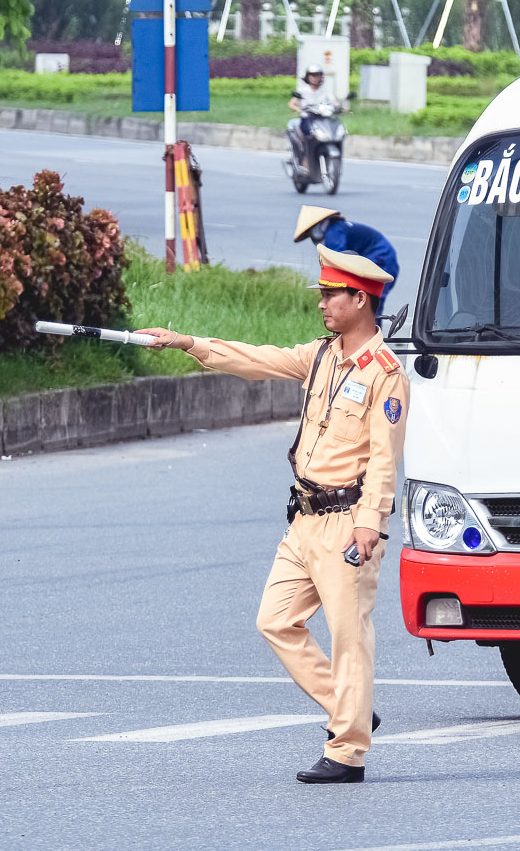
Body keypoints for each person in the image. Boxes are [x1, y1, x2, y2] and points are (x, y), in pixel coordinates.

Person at [138, 244, 408, 784]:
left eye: (332, 295)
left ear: (361, 299)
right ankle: (348, 707)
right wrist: (188, 343)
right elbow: (257, 360)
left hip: (346, 520)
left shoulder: (385, 374)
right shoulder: (322, 356)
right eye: (323, 294)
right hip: (304, 519)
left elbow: (384, 457)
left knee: (348, 637)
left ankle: (348, 750)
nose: (322, 304)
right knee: (275, 620)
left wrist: (370, 524)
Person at [292, 206, 400, 309]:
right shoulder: (336, 228)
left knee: (371, 300)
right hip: (380, 255)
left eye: (310, 233)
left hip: (381, 257)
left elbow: (337, 262)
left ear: (317, 227)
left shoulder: (333, 232)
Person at [287, 64, 342, 171]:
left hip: (322, 120)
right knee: (307, 137)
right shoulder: (303, 90)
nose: (315, 78)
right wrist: (300, 110)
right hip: (307, 119)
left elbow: (334, 102)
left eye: (318, 75)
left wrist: (340, 107)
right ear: (308, 77)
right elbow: (292, 103)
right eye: (313, 75)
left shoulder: (325, 91)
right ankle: (305, 160)